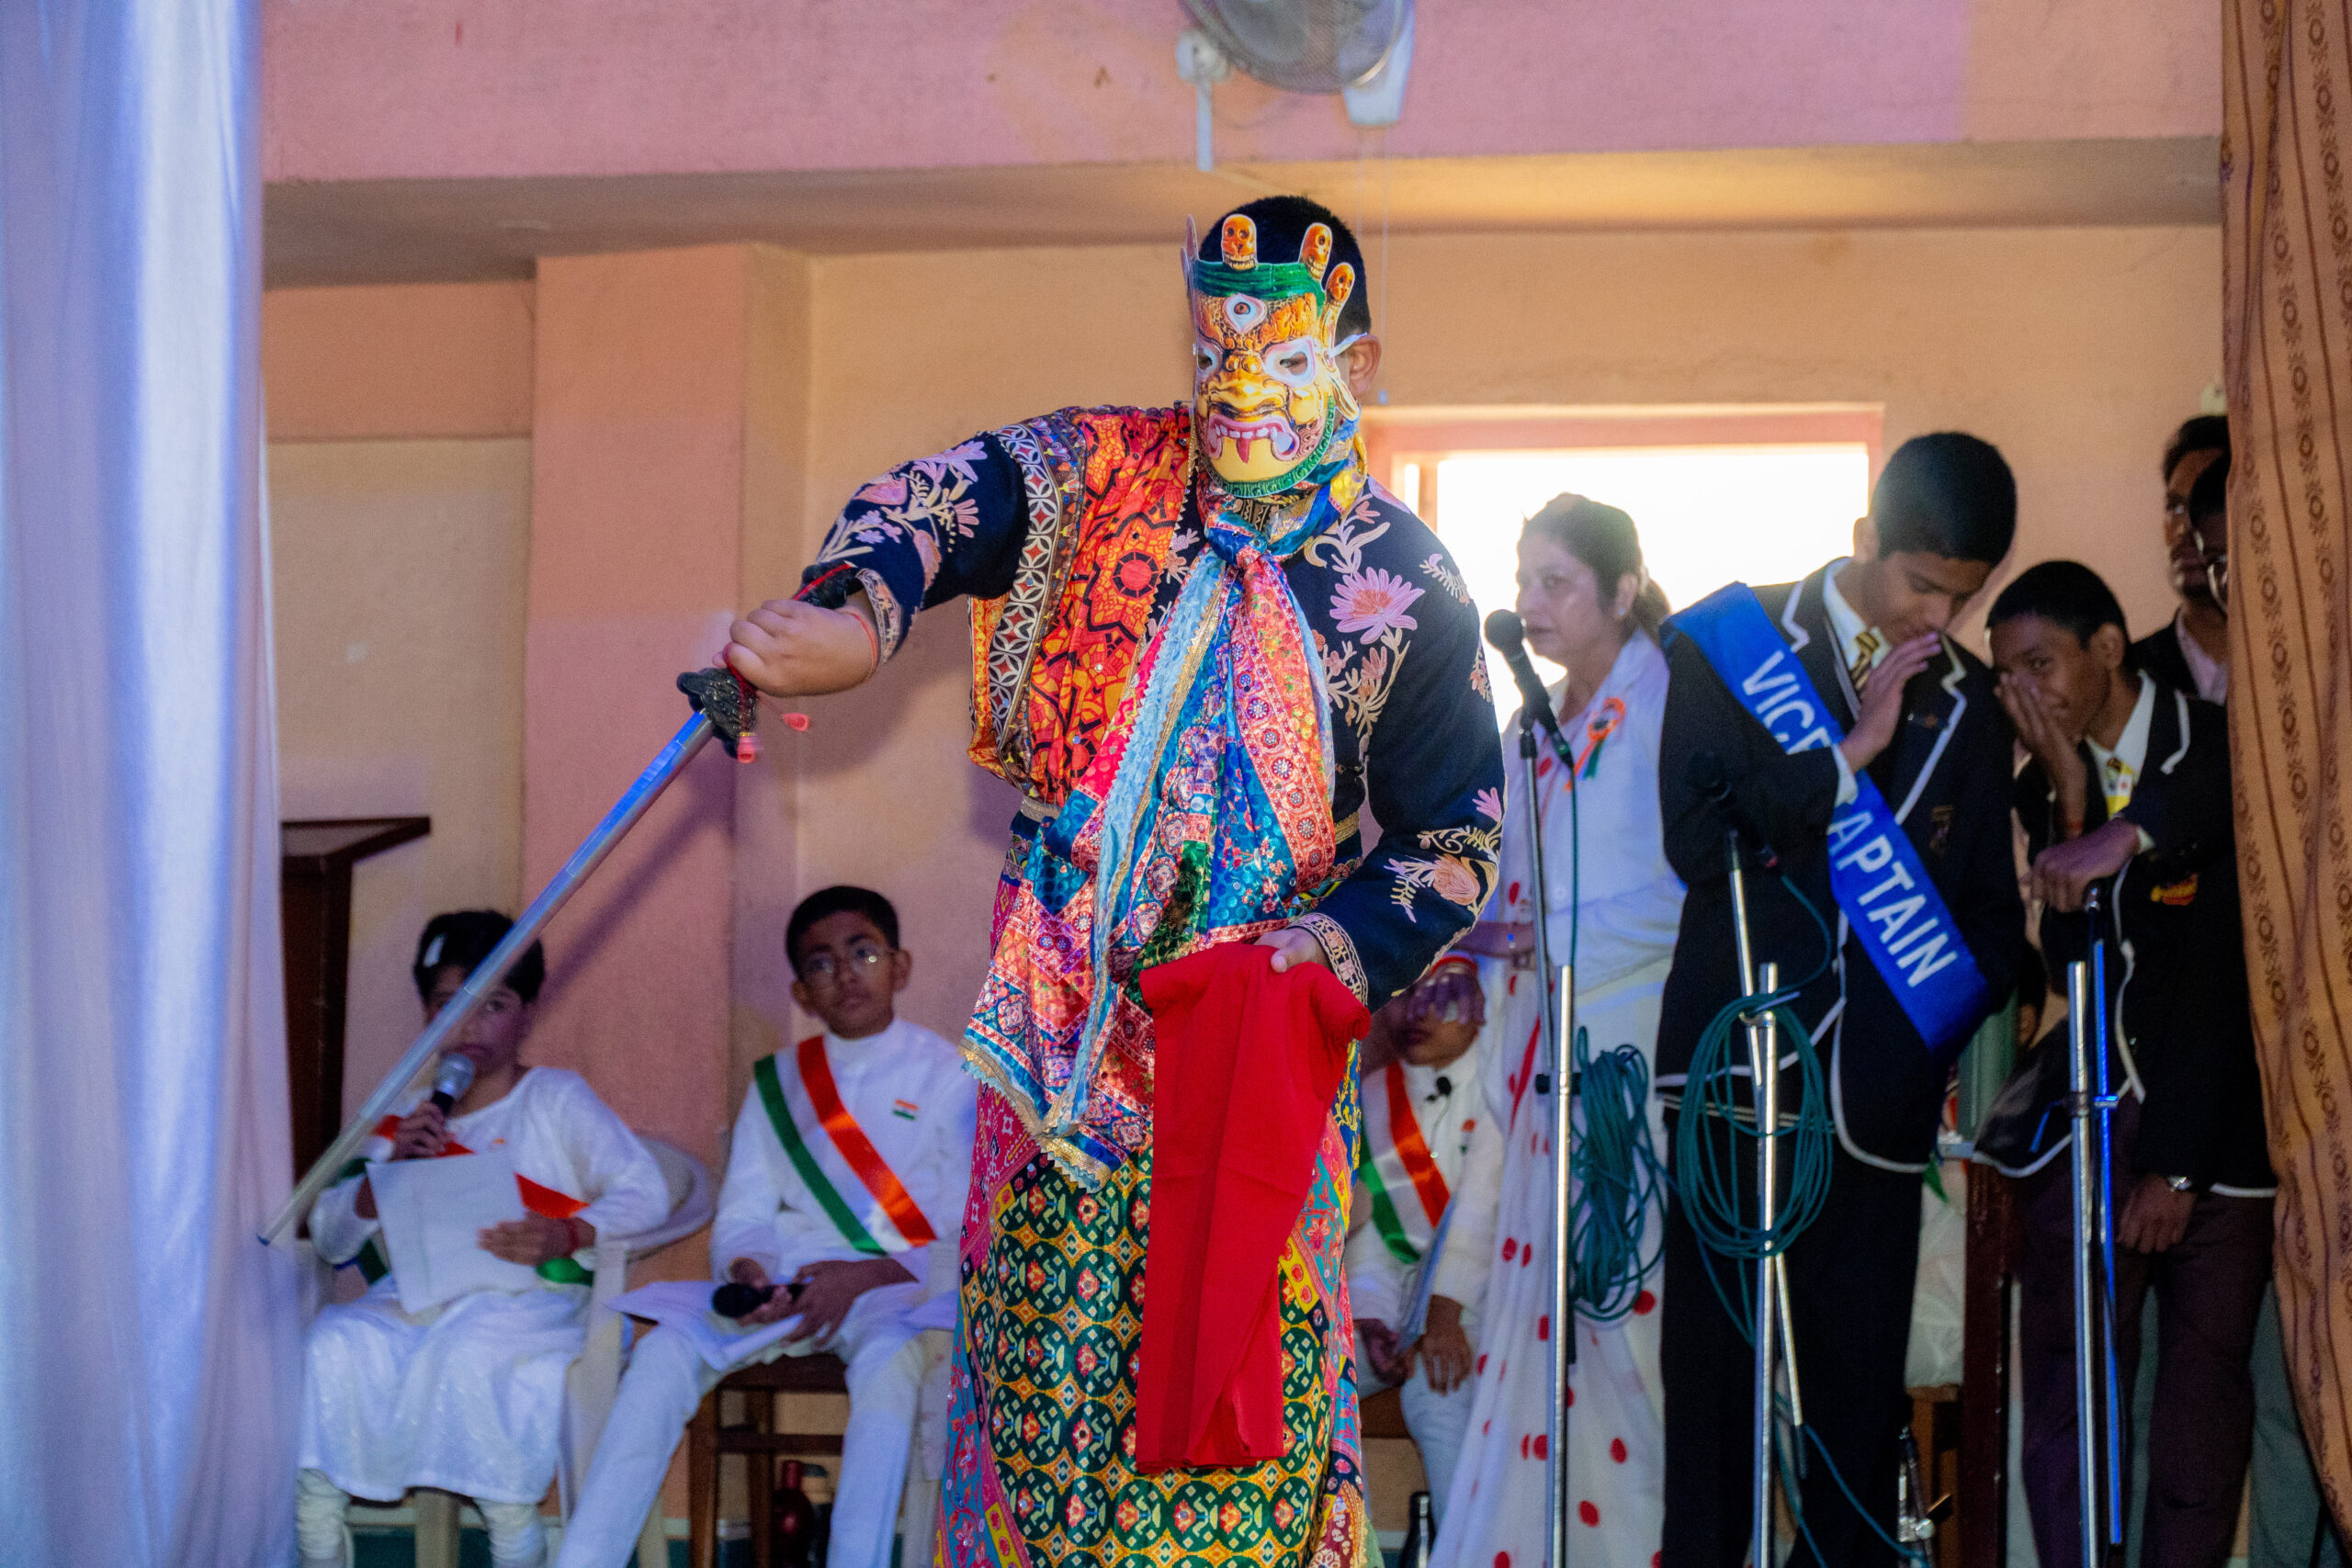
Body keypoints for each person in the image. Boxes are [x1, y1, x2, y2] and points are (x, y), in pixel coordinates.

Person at [719, 195, 1504, 1568]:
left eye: (1283, 358)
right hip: (1056, 1059)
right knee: (1043, 1410)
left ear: (1360, 365)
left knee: (1239, 1423)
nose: (1238, 391)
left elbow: (1458, 837)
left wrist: (1322, 950)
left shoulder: (1405, 578)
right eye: (1214, 357)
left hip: (1251, 1055)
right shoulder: (1101, 477)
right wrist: (854, 616)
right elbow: (936, 500)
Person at [1653, 434, 2025, 1568]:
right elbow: (1696, 840)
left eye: (1961, 599)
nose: (1936, 620)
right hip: (1734, 1079)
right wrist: (1846, 755)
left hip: (1876, 1116)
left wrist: (1929, 1045)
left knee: (1854, 1425)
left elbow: (1988, 925)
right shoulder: (1730, 640)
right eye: (1921, 585)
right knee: (1712, 1405)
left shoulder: (1970, 708)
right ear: (1866, 537)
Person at [1982, 561, 2272, 1568]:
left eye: (2040, 664)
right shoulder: (2040, 780)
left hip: (2217, 1137)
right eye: (2006, 675)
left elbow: (2224, 976)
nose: (2025, 693)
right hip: (2095, 1119)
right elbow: (2077, 960)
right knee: (2069, 1399)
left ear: (2107, 648)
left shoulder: (2216, 745)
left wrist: (2177, 1168)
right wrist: (2070, 802)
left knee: (2199, 1418)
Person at [557, 887, 976, 1568]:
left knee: (890, 1373)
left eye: (863, 952)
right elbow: (745, 1212)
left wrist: (862, 1276)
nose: (845, 974)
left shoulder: (953, 1076)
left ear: (899, 966)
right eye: (821, 963)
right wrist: (749, 1270)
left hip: (897, 1283)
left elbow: (966, 1227)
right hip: (784, 1285)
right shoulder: (779, 1082)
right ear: (801, 993)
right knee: (662, 1355)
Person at [1434, 494, 1686, 1568]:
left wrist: (1554, 932)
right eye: (1522, 580)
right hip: (1536, 1073)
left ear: (1621, 592)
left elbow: (1687, 896)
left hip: (1630, 1065)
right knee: (1540, 1341)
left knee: (1622, 1331)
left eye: (1555, 583)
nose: (1528, 603)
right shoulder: (1527, 730)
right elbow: (1502, 893)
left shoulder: (1669, 700)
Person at [298, 912, 670, 1568]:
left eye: (491, 1005)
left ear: (526, 1016)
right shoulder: (403, 1116)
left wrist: (569, 1231)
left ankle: (513, 1536)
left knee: (473, 1355)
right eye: (448, 1005)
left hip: (533, 1306)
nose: (467, 1025)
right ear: (426, 1015)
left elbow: (646, 1191)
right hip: (415, 1304)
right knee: (333, 1343)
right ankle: (318, 1536)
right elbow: (328, 1237)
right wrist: (380, 1182)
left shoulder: (554, 1097)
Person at [1346, 955, 1503, 1523]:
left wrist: (1441, 1321)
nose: (1419, 1010)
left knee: (1435, 1394)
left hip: (1484, 1302)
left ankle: (1468, 1544)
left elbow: (1482, 1219)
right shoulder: (1371, 1095)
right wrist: (1374, 1323)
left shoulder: (1500, 1088)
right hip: (1397, 1307)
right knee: (1322, 1373)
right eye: (1410, 992)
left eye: (1443, 994)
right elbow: (1378, 1241)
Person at [2132, 415, 2231, 705]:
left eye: (2202, 505)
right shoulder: (2130, 674)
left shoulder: (2289, 657)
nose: (2184, 529)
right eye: (2175, 508)